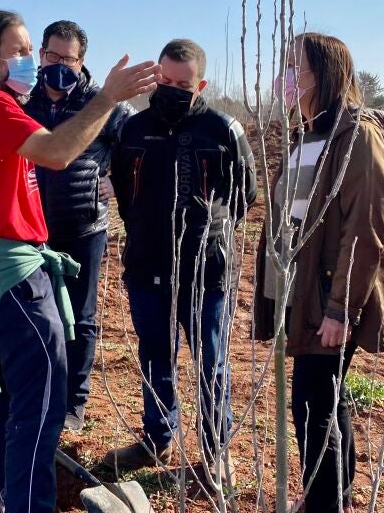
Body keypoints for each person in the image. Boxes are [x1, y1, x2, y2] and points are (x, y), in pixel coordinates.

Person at [0, 9, 159, 513]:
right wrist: (108, 96)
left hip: (15, 264)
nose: (31, 63)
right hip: (15, 271)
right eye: (21, 51)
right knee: (40, 407)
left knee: (7, 394)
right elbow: (58, 151)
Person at [252, 33, 384, 512]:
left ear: (324, 73)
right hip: (300, 293)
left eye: (294, 66)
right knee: (324, 401)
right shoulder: (305, 135)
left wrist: (341, 307)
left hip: (329, 297)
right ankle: (330, 496)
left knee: (312, 405)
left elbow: (366, 227)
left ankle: (321, 503)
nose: (285, 77)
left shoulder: (357, 135)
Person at [103, 39, 257, 489]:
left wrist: (204, 231)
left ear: (200, 83)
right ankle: (156, 436)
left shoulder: (223, 130)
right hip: (148, 267)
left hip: (206, 272)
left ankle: (215, 450)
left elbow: (242, 195)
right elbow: (123, 191)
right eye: (164, 81)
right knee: (155, 356)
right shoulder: (133, 130)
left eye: (182, 84)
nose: (170, 89)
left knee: (211, 361)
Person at [21, 20, 135, 432]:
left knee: (80, 319)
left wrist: (116, 179)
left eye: (69, 59)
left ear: (82, 61)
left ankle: (74, 404)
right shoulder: (21, 104)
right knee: (31, 317)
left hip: (84, 225)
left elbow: (135, 150)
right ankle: (29, 397)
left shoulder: (104, 107)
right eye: (53, 56)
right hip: (31, 229)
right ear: (42, 56)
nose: (60, 65)